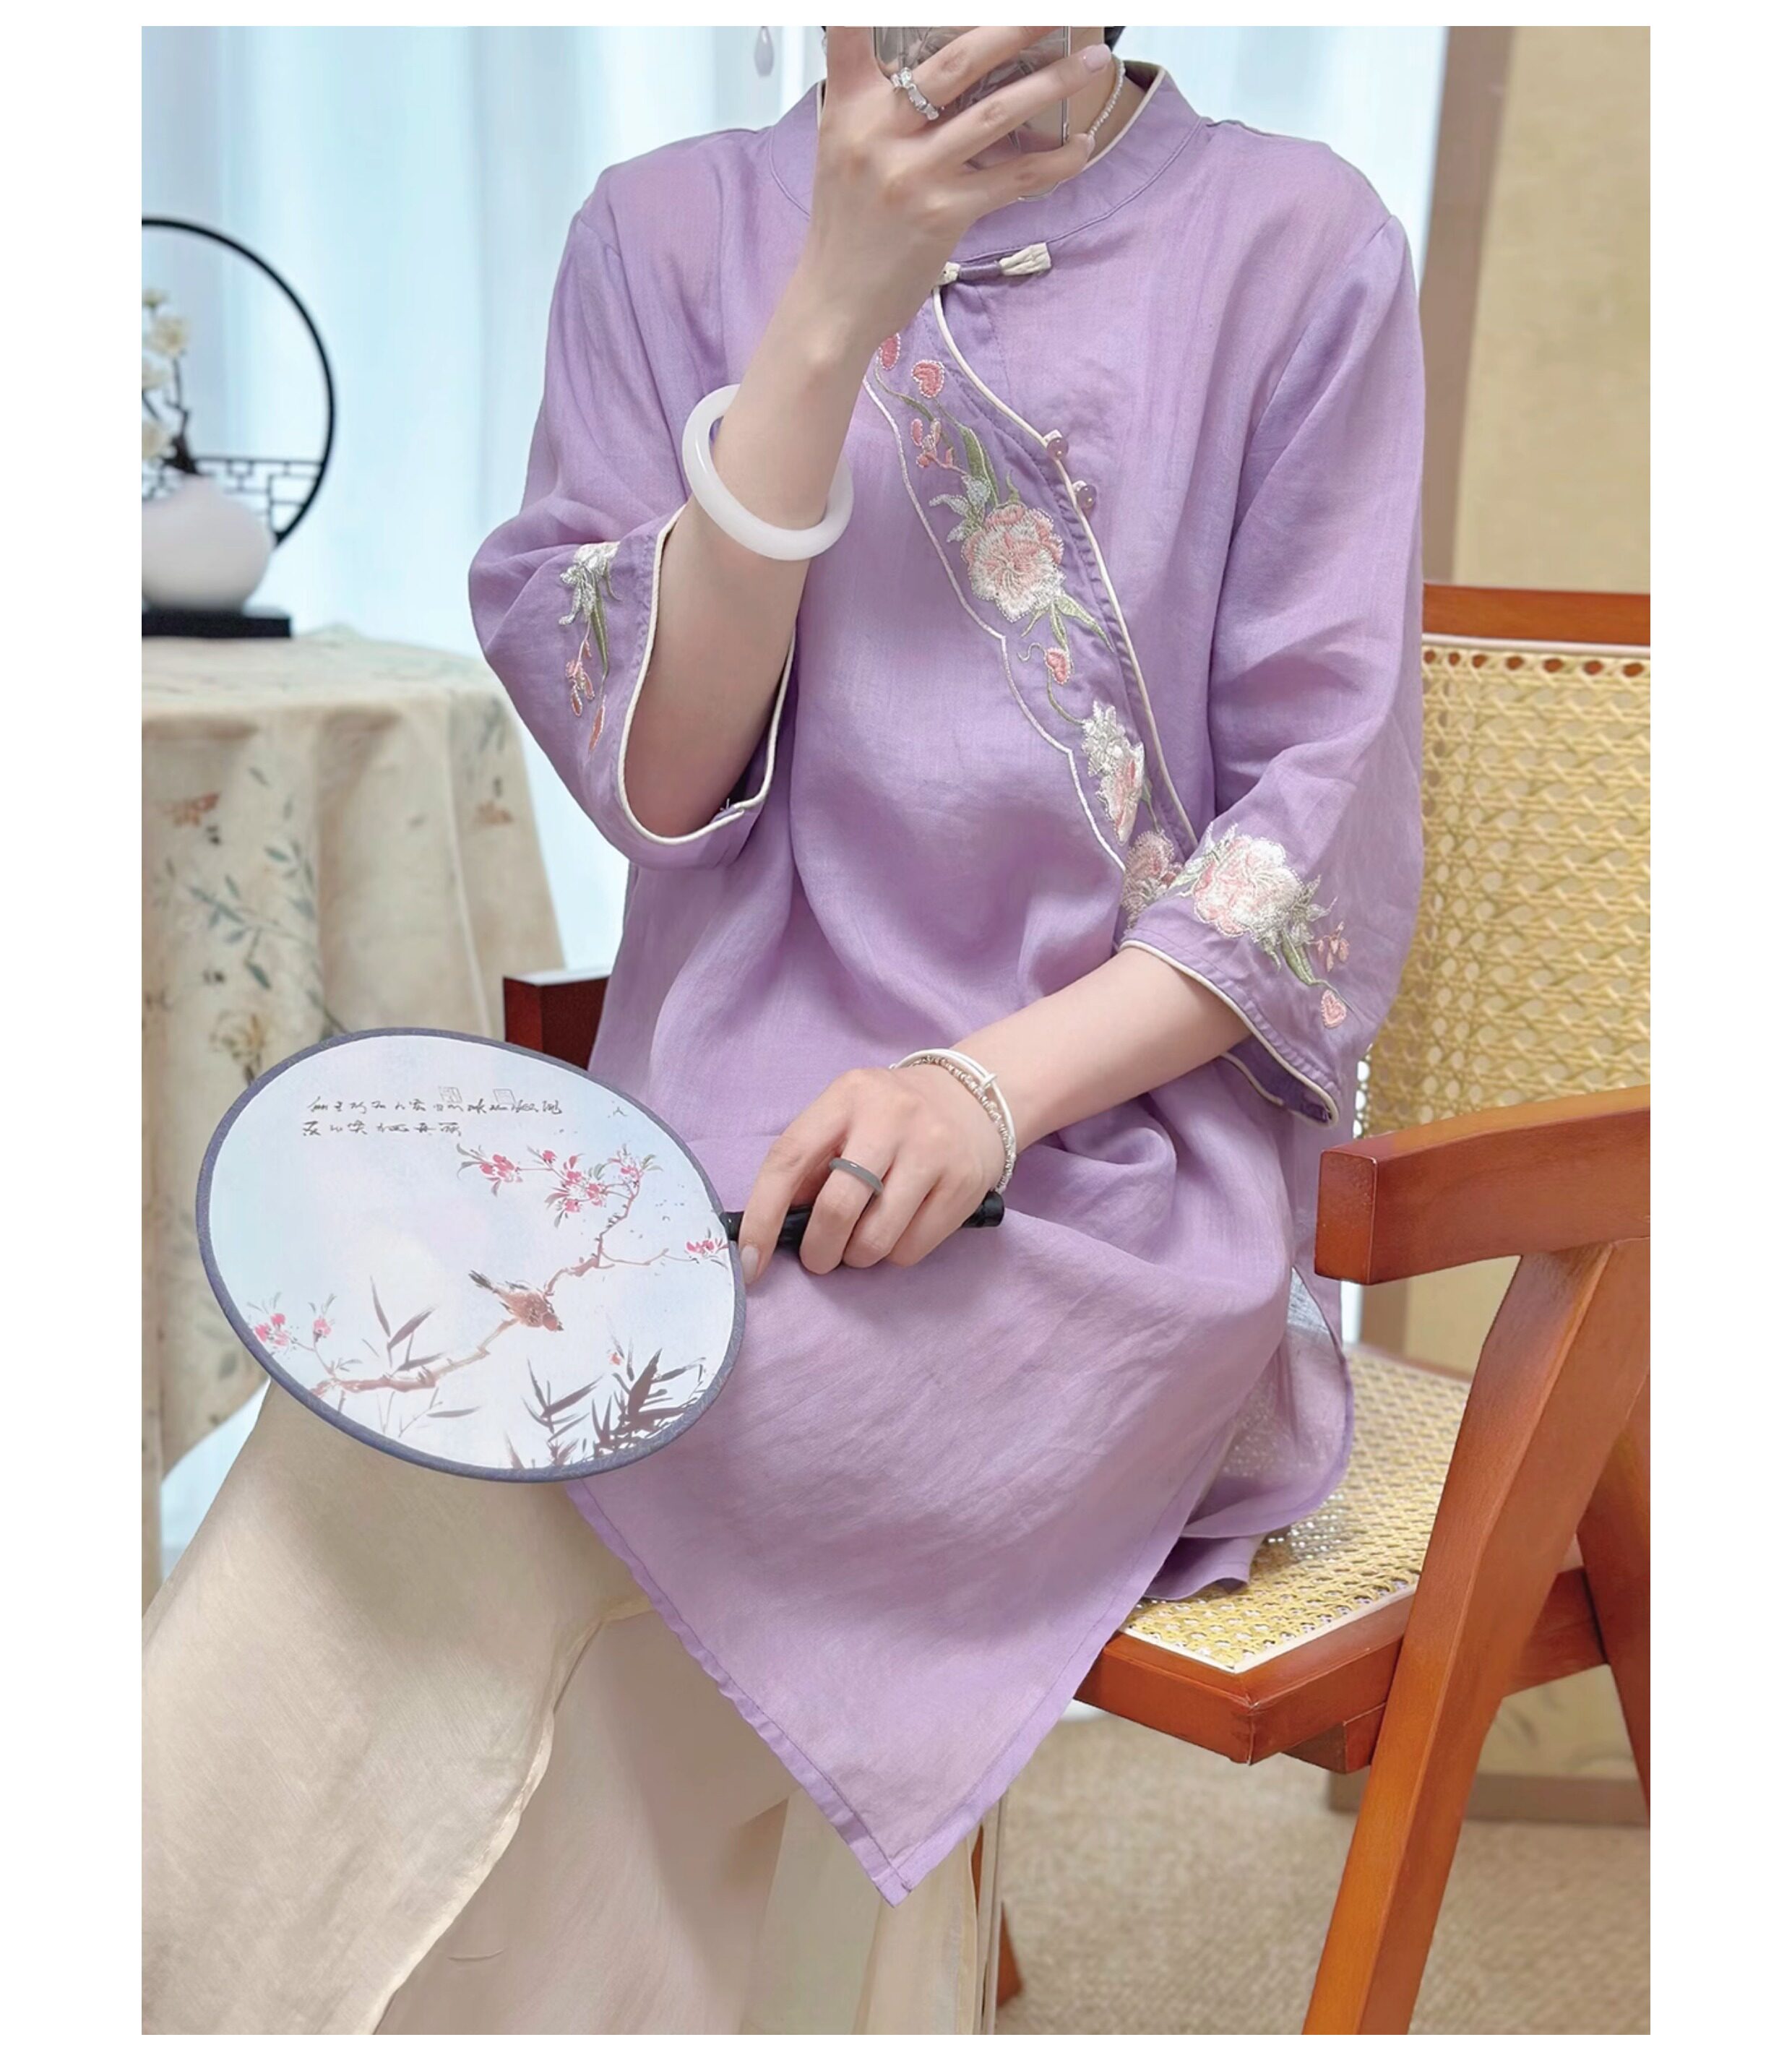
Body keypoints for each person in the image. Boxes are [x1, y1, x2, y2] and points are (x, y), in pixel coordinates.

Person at [144, 25, 1423, 2033]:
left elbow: (1318, 833)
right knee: (406, 1411)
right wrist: (833, 305)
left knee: (480, 1462)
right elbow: (660, 772)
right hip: (697, 1157)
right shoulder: (663, 235)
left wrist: (984, 1090)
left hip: (1103, 1182)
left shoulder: (1294, 242)